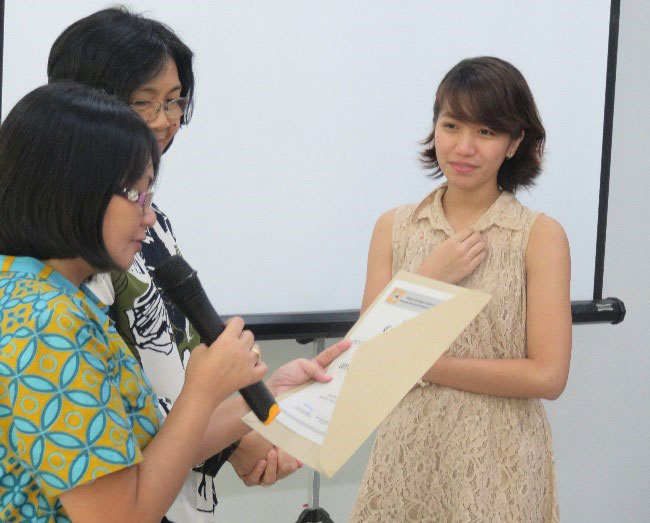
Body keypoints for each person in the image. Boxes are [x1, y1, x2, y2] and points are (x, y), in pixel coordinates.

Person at [0, 82, 348, 522]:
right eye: (136, 194)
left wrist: (257, 394)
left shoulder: (45, 292)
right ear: (73, 189)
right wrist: (201, 391)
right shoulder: (45, 323)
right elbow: (118, 517)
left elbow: (140, 458)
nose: (149, 215)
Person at [46, 7, 300, 519]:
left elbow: (172, 373)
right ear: (85, 106)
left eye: (176, 101)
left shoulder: (149, 220)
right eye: (145, 102)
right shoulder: (59, 256)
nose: (166, 120)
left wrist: (235, 432)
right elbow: (118, 423)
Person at [350, 56, 572, 521]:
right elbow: (366, 357)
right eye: (452, 126)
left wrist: (422, 362)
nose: (464, 147)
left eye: (486, 132)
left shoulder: (538, 236)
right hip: (406, 461)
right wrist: (428, 276)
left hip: (497, 465)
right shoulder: (395, 228)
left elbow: (548, 376)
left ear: (514, 144)